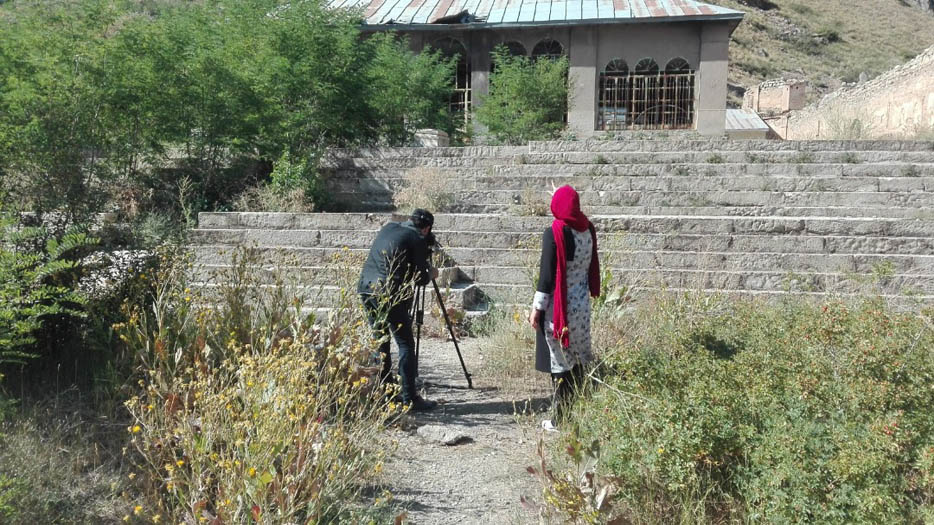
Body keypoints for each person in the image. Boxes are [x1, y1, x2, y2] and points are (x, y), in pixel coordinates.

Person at [528, 185, 600, 431]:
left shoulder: (555, 232)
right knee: (578, 361)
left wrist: (537, 308)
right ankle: (579, 410)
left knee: (559, 363)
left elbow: (547, 276)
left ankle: (560, 419)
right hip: (582, 305)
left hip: (560, 308)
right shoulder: (587, 230)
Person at [358, 209, 439, 411]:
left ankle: (385, 391)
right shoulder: (417, 238)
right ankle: (409, 397)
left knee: (381, 340)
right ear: (426, 228)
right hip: (388, 292)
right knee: (406, 344)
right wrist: (432, 273)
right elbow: (420, 278)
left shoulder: (389, 227)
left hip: (366, 287)